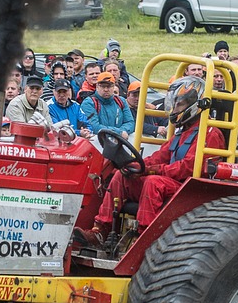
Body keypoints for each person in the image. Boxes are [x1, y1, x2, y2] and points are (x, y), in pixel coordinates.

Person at [89, 76, 225, 241]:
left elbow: (187, 168)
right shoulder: (181, 132)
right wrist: (133, 166)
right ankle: (100, 230)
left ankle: (142, 238)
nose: (175, 109)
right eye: (174, 104)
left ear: (194, 106)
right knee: (121, 176)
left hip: (190, 188)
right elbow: (159, 157)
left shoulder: (210, 133)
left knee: (153, 182)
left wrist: (152, 170)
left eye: (179, 104)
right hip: (174, 184)